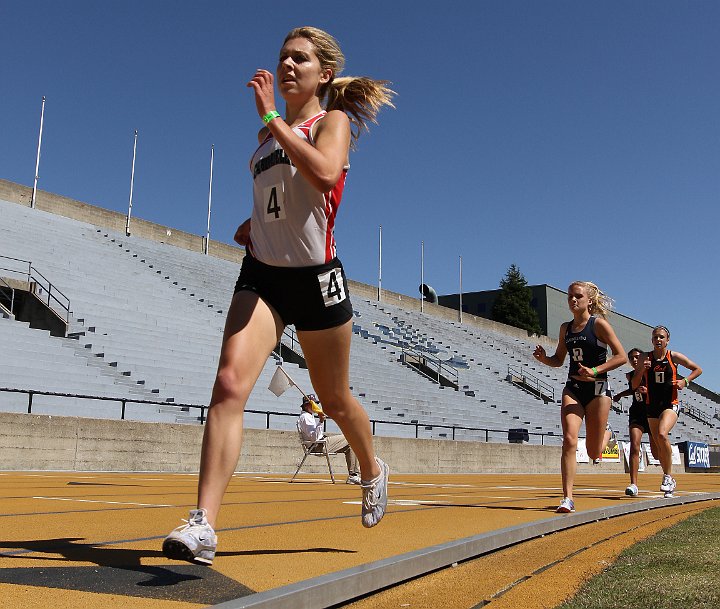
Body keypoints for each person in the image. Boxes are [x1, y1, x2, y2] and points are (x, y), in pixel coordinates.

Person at [162, 26, 395, 565]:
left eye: (300, 59)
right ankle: (203, 525)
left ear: (324, 74)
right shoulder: (267, 140)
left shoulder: (329, 122)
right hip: (262, 275)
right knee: (227, 384)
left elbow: (324, 173)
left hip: (316, 280)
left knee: (333, 398)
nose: (287, 65)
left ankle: (373, 467)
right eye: (282, 57)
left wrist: (271, 117)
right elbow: (284, 199)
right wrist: (254, 224)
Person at [533, 281, 626, 513]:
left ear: (589, 300)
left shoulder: (599, 325)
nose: (572, 300)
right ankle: (567, 498)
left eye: (577, 296)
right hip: (573, 389)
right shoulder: (565, 328)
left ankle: (607, 435)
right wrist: (545, 359)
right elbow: (559, 360)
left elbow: (621, 356)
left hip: (598, 391)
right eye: (569, 297)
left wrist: (594, 371)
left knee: (594, 453)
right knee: (569, 440)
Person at [632, 325, 702, 498]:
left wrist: (684, 381)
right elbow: (634, 385)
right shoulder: (644, 358)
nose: (658, 340)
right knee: (656, 450)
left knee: (662, 434)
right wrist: (641, 369)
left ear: (667, 340)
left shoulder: (674, 356)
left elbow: (697, 369)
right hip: (651, 406)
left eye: (661, 337)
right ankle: (667, 475)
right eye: (655, 337)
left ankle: (668, 477)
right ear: (651, 340)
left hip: (670, 404)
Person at [613, 348, 659, 496]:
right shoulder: (631, 375)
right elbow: (633, 388)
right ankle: (633, 484)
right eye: (631, 358)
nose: (634, 360)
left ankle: (667, 476)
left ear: (643, 358)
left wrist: (649, 392)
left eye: (637, 357)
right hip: (637, 414)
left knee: (656, 454)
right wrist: (621, 394)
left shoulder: (653, 372)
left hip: (652, 413)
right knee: (634, 446)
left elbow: (662, 390)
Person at [297, 394, 361, 484]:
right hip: (318, 445)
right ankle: (354, 475)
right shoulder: (306, 417)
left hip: (319, 443)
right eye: (313, 404)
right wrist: (321, 421)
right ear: (307, 405)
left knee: (350, 446)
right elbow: (314, 438)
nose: (315, 406)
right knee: (351, 438)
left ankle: (354, 475)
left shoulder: (307, 416)